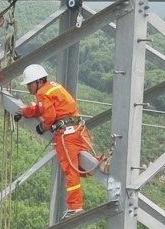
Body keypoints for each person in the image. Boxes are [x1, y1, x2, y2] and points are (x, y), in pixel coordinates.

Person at [16, 64, 114, 217]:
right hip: (78, 129)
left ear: (39, 81)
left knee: (71, 169)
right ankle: (103, 162)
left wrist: (43, 126)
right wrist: (24, 112)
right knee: (83, 164)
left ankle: (75, 207)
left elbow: (49, 115)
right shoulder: (53, 86)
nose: (28, 87)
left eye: (29, 84)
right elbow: (40, 109)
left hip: (66, 135)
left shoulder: (42, 93)